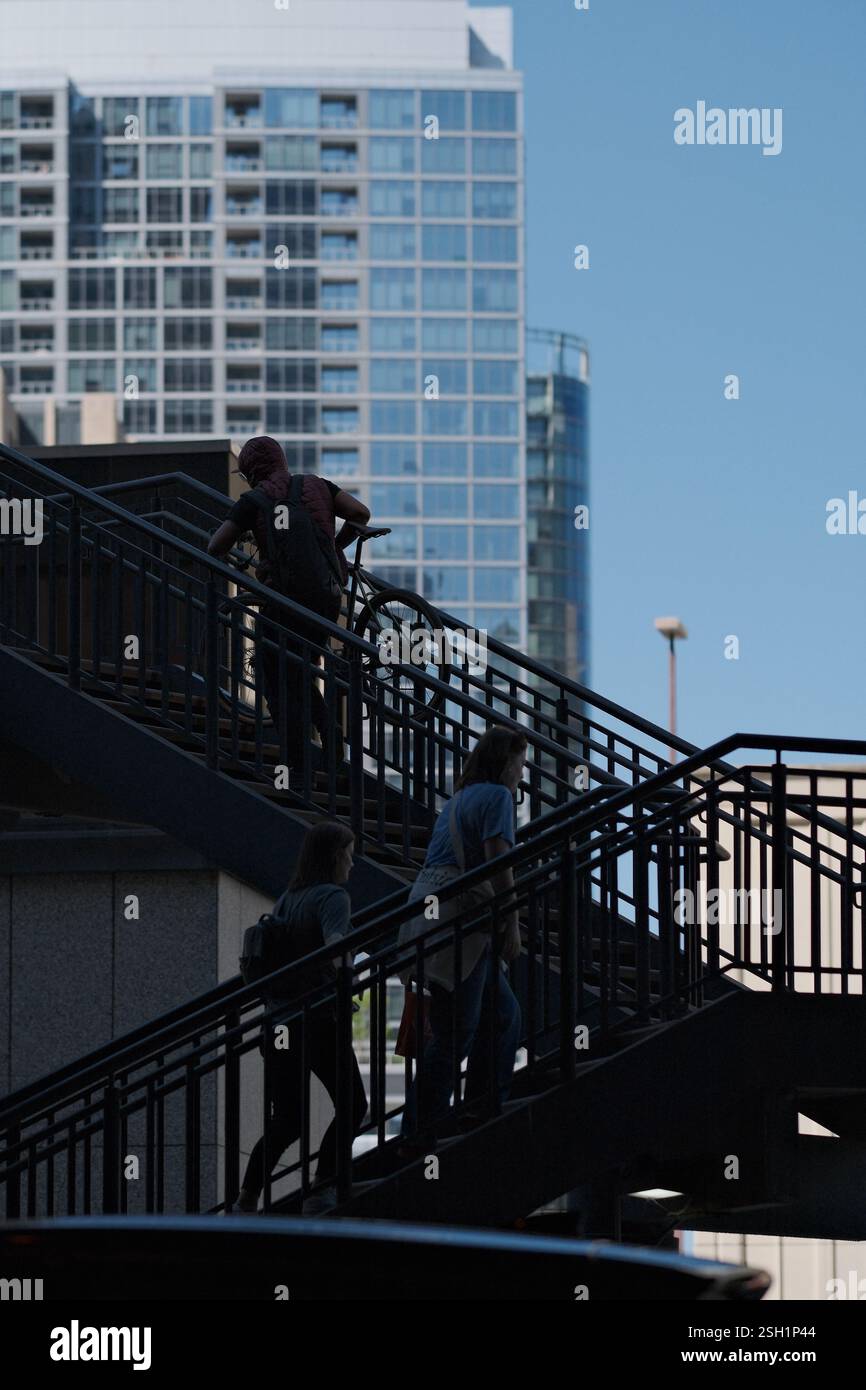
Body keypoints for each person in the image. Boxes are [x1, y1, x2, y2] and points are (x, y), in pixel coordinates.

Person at [207, 435, 370, 769]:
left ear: (253, 468)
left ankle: (297, 760)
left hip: (284, 600)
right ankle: (326, 737)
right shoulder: (317, 484)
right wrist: (333, 546)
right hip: (326, 597)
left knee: (273, 669)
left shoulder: (253, 499)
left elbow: (216, 546)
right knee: (297, 667)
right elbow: (360, 513)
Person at [398, 726, 526, 1149]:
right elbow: (498, 861)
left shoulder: (458, 800)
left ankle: (473, 1113)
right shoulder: (498, 798)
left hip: (439, 921)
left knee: (502, 1016)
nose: (521, 774)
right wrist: (513, 918)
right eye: (519, 764)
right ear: (505, 762)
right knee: (458, 1033)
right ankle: (423, 1130)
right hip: (463, 926)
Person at [236, 821, 368, 1214]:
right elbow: (335, 945)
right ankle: (323, 1186)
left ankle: (246, 1198)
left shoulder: (286, 900)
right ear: (333, 856)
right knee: (353, 1104)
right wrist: (352, 971)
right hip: (318, 1019)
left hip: (278, 1023)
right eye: (349, 852)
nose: (353, 862)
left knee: (289, 1119)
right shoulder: (333, 898)